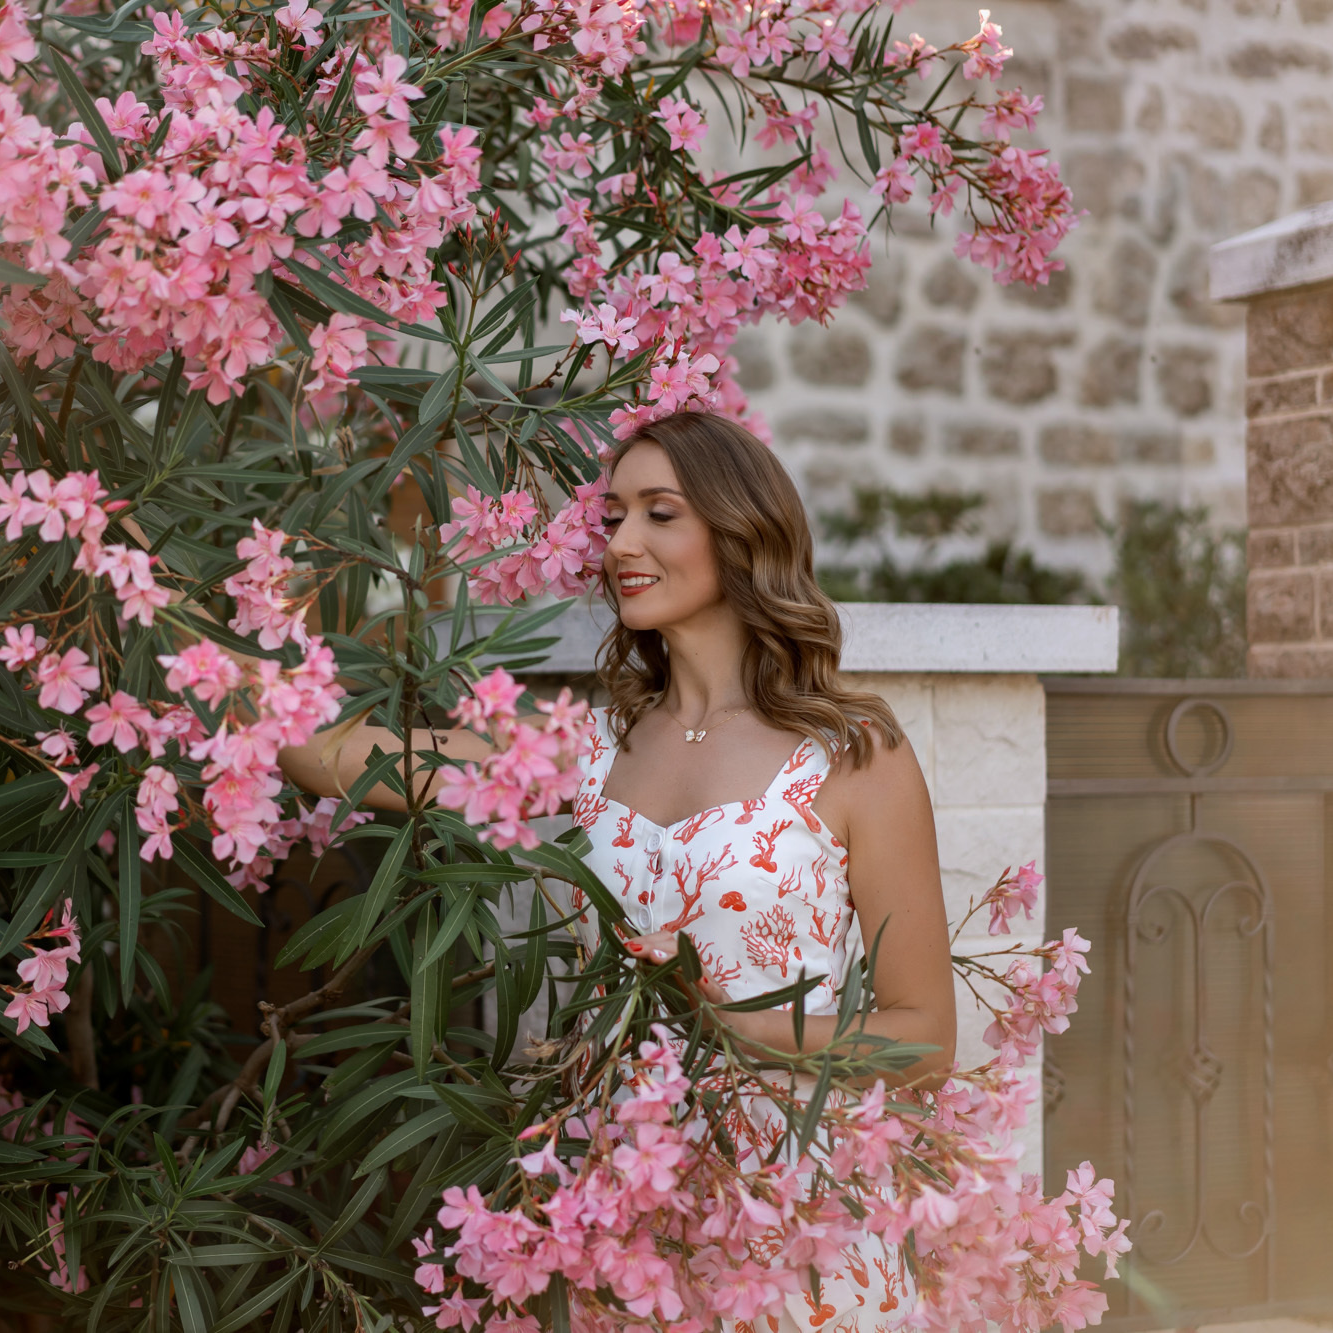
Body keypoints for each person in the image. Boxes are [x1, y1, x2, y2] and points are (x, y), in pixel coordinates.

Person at [277, 409, 954, 1330]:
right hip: (625, 1216)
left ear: (741, 529)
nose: (621, 542)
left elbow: (923, 1038)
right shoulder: (583, 752)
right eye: (612, 516)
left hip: (797, 1219)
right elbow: (331, 757)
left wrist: (736, 1020)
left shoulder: (851, 755)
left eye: (659, 513)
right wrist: (244, 627)